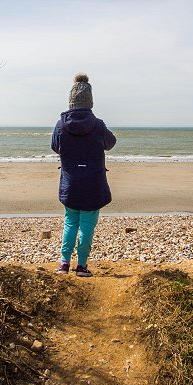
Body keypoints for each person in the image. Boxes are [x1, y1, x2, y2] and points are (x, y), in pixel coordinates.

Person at [51, 73, 117, 277]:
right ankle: (81, 265)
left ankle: (64, 263)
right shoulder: (97, 124)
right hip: (93, 183)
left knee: (70, 221)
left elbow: (55, 146)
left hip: (70, 182)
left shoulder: (61, 124)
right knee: (87, 223)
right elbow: (111, 143)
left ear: (71, 101)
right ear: (90, 101)